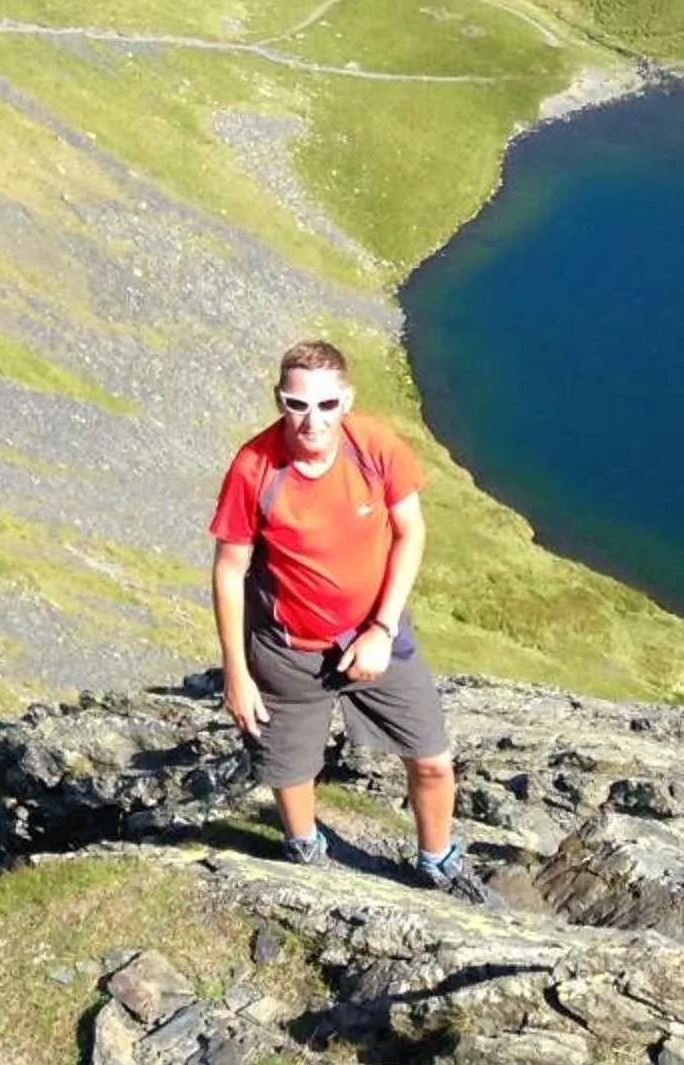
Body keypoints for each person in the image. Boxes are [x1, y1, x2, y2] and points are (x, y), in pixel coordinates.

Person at [208, 338, 488, 900]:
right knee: (289, 771)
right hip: (288, 649)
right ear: (279, 400)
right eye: (297, 404)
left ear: (347, 400)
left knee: (433, 761)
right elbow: (229, 570)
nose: (312, 420)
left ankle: (437, 862)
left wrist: (382, 628)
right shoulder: (254, 467)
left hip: (376, 635)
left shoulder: (375, 446)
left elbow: (410, 532)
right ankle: (304, 850)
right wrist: (236, 673)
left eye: (327, 404)